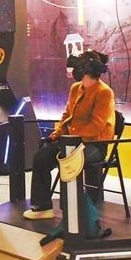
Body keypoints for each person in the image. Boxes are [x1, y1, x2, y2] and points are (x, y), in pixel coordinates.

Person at [24, 53, 115, 220]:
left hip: (95, 144)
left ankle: (71, 211)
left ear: (86, 70)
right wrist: (57, 133)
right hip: (70, 141)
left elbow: (96, 126)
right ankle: (42, 207)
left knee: (68, 160)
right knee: (41, 158)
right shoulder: (76, 88)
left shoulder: (104, 92)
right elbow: (67, 115)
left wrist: (71, 138)